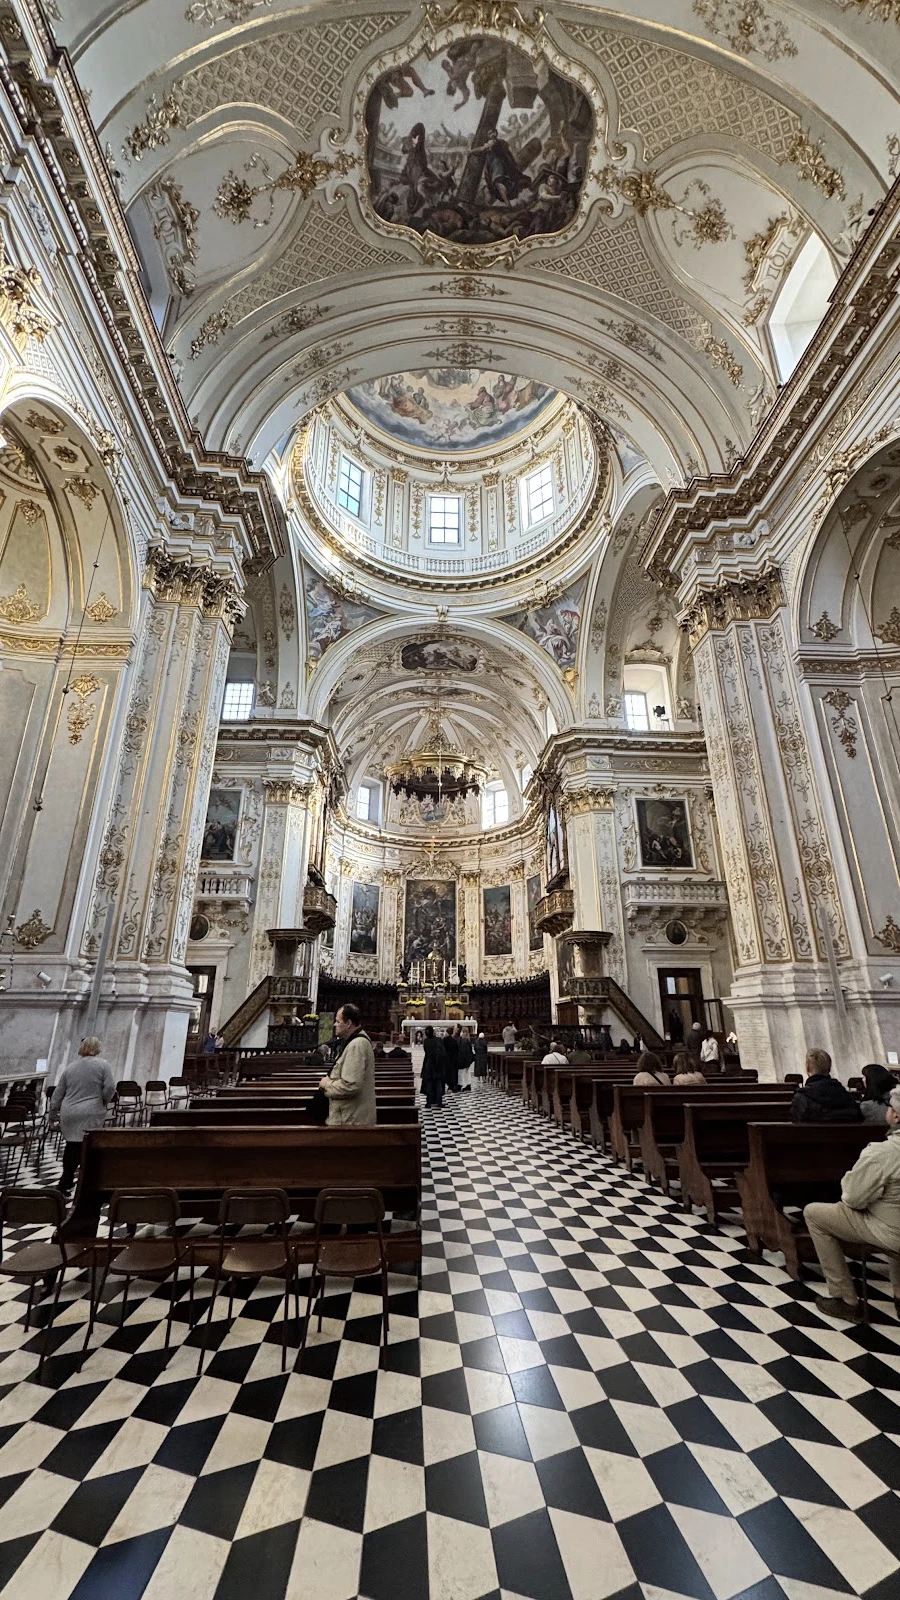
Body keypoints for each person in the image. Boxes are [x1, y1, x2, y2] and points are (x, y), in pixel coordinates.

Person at [804, 1085, 900, 1321]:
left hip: (890, 1232)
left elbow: (852, 1197)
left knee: (813, 1214)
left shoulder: (883, 1153)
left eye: (889, 1107)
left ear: (896, 1116)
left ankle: (844, 1299)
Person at [49, 1036, 116, 1194]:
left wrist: (52, 1114)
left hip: (70, 1112)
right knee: (90, 1147)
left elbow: (58, 1093)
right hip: (91, 1111)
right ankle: (88, 1184)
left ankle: (66, 1181)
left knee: (72, 1147)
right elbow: (110, 1088)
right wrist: (103, 1101)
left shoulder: (71, 1067)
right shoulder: (103, 1065)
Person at [319, 1003, 376, 1126]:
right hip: (349, 1117)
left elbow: (351, 1085)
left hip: (350, 1120)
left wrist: (326, 1084)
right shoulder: (354, 1042)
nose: (334, 1025)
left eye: (338, 1021)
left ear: (348, 1023)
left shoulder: (357, 1045)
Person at [790, 1048, 861, 1124]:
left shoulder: (801, 1098)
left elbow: (797, 1124)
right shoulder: (847, 1096)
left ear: (807, 1068)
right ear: (829, 1069)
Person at [421, 1025, 446, 1109]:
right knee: (438, 1084)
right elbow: (442, 1052)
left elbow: (426, 1051)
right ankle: (439, 1102)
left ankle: (429, 1102)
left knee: (429, 1084)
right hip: (437, 1064)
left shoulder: (426, 1041)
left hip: (428, 1064)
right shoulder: (438, 1040)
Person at [456, 1028, 474, 1092]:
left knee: (461, 1073)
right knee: (467, 1073)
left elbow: (462, 1052)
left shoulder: (463, 1041)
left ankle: (460, 1085)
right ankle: (468, 1085)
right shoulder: (467, 1041)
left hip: (463, 1060)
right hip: (467, 1060)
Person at [443, 1027, 460, 1092]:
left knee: (446, 1073)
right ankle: (452, 1086)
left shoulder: (444, 1040)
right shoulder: (454, 1040)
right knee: (452, 1073)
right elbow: (457, 1050)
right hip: (453, 1059)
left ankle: (447, 1086)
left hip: (446, 1059)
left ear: (447, 1033)